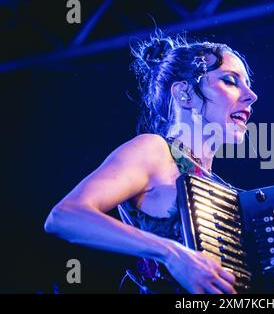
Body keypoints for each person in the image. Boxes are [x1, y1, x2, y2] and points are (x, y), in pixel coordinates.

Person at [44, 32, 258, 294]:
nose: (251, 96)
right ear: (184, 94)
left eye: (247, 84)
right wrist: (170, 253)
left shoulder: (218, 186)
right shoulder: (155, 150)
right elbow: (64, 216)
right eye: (230, 81)